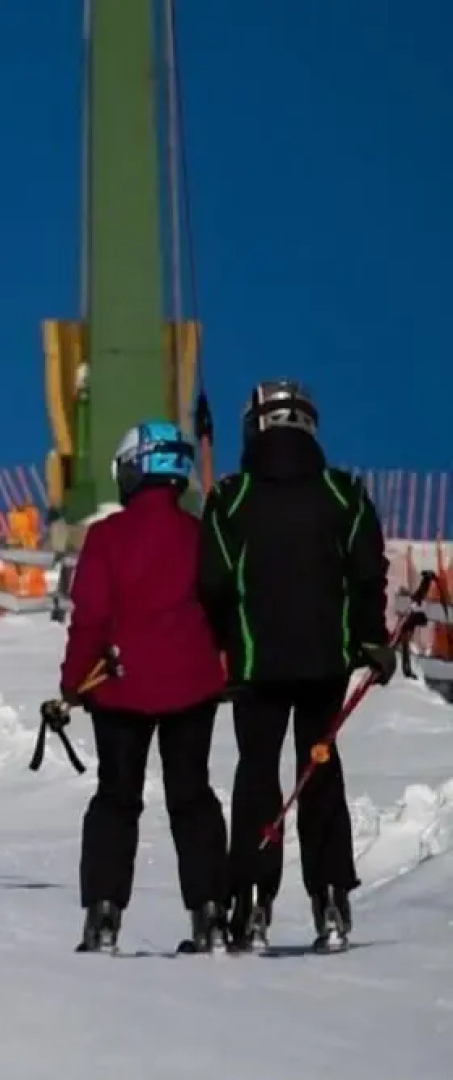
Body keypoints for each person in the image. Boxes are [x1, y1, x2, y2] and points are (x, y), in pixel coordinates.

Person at [198, 379, 392, 952]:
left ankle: (252, 904)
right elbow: (366, 571)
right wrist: (370, 639)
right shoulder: (342, 493)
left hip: (255, 667)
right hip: (324, 667)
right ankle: (330, 899)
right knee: (320, 772)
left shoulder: (231, 498)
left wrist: (224, 641)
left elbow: (211, 581)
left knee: (257, 775)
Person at [50, 420, 229, 954]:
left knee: (116, 800)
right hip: (193, 684)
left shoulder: (107, 538)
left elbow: (90, 619)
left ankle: (103, 918)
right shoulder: (201, 536)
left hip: (118, 687)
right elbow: (225, 608)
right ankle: (211, 916)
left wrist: (74, 684)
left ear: (131, 470)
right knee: (192, 799)